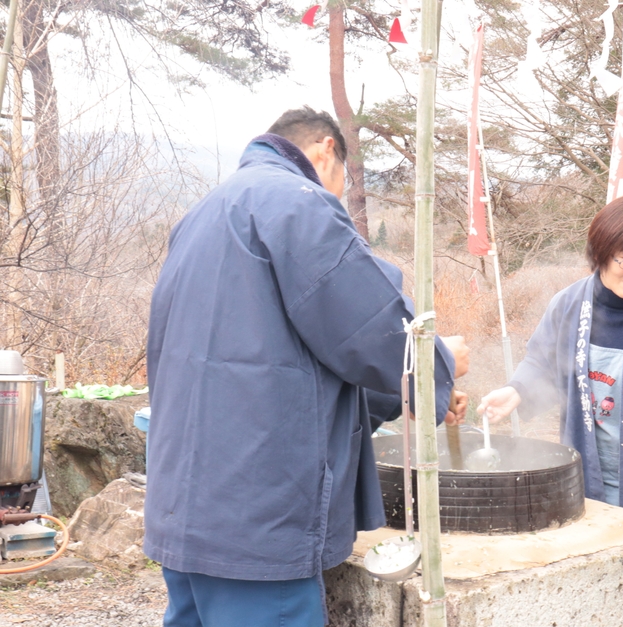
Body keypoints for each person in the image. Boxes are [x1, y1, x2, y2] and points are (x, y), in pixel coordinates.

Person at [144, 107, 469, 627]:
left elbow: (280, 361)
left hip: (187, 508)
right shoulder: (297, 202)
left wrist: (409, 394)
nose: (337, 194)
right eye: (343, 180)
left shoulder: (205, 212)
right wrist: (438, 366)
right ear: (325, 149)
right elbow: (368, 325)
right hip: (259, 517)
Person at [477, 196, 623, 522]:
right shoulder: (568, 305)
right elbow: (543, 363)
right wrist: (516, 391)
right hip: (585, 476)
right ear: (600, 252)